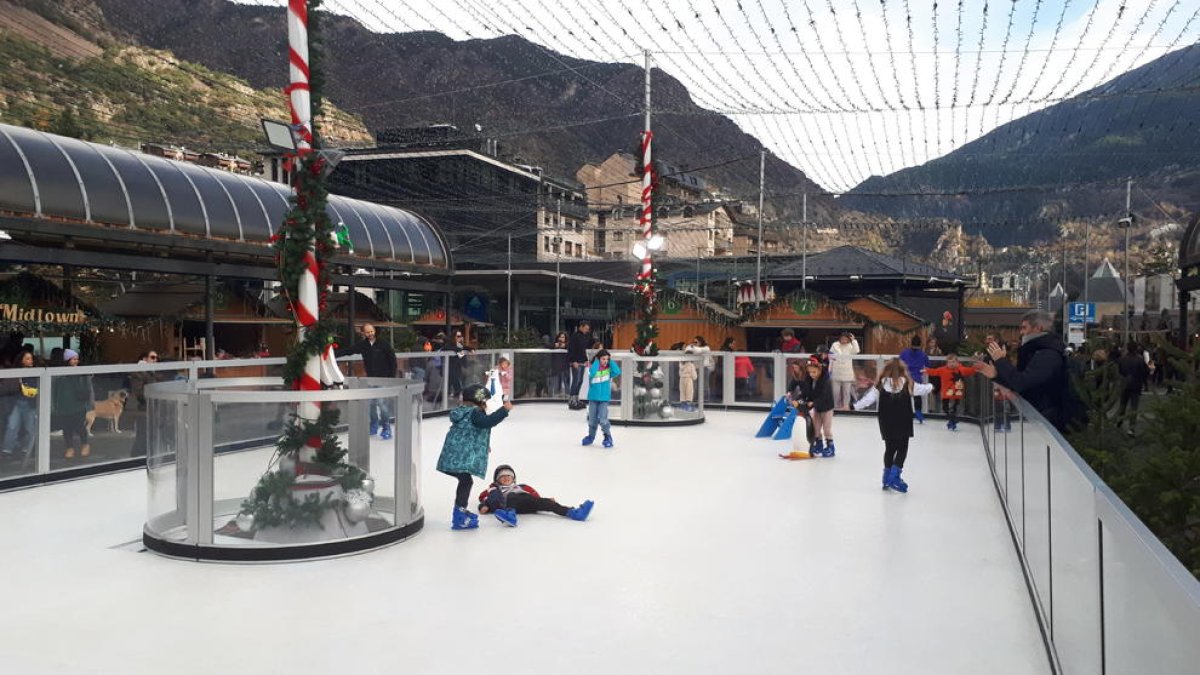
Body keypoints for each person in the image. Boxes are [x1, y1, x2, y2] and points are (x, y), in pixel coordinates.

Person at [975, 309, 1085, 433]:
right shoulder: (1035, 351)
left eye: (1024, 328)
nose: (1021, 332)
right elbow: (1022, 382)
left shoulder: (1047, 354)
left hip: (1051, 421)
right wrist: (996, 375)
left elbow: (1022, 383)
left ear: (1038, 328)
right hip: (1040, 417)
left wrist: (1001, 361)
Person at [436, 384, 513, 530]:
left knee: (465, 481)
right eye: (485, 402)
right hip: (460, 459)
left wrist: (484, 444)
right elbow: (486, 422)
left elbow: (470, 432)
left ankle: (460, 512)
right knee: (466, 481)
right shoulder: (475, 413)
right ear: (480, 401)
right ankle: (459, 516)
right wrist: (504, 410)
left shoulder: (463, 412)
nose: (486, 405)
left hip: (452, 456)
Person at [854, 359, 936, 492]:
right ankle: (894, 476)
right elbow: (922, 389)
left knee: (890, 448)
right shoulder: (907, 383)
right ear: (903, 371)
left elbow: (869, 399)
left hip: (886, 421)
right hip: (903, 420)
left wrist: (855, 406)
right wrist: (931, 386)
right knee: (902, 448)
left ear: (886, 370)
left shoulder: (881, 384)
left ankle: (886, 477)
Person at [477, 464, 594, 527]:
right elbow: (487, 498)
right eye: (502, 476)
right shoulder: (495, 489)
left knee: (548, 504)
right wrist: (483, 506)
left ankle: (575, 513)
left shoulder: (521, 487)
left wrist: (545, 499)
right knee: (512, 495)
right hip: (512, 504)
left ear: (513, 478)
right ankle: (510, 515)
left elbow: (533, 495)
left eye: (508, 476)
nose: (506, 478)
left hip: (528, 502)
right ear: (497, 480)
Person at [341, 324, 397, 439]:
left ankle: (386, 428)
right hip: (371, 379)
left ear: (374, 331)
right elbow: (349, 351)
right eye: (367, 332)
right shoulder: (363, 345)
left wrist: (391, 378)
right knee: (371, 404)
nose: (370, 334)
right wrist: (333, 353)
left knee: (382, 404)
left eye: (371, 331)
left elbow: (392, 360)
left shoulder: (383, 344)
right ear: (363, 333)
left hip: (384, 379)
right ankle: (374, 425)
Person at [53, 349, 94, 459]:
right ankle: (69, 447)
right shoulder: (60, 374)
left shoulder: (82, 373)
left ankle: (85, 444)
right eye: (73, 359)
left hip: (79, 405)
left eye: (77, 359)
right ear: (67, 360)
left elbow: (88, 389)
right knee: (66, 427)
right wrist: (55, 405)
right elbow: (55, 390)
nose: (76, 361)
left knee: (80, 425)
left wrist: (90, 405)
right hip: (64, 405)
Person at [0, 349, 39, 463]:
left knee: (30, 428)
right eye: (27, 358)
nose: (30, 361)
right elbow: (9, 388)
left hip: (30, 403)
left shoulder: (36, 372)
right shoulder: (16, 372)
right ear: (21, 360)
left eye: (31, 358)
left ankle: (26, 449)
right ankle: (7, 450)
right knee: (12, 425)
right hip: (17, 403)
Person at [794, 357, 836, 457]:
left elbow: (824, 396)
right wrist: (798, 399)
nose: (812, 374)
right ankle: (819, 445)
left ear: (819, 370)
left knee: (826, 429)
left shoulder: (825, 381)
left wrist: (813, 403)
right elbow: (805, 392)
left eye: (814, 372)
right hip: (817, 408)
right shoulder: (809, 380)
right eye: (810, 372)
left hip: (827, 408)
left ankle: (830, 447)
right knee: (816, 428)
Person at [924, 354, 977, 431]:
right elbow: (934, 372)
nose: (951, 364)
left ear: (957, 362)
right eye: (949, 362)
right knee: (945, 408)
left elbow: (971, 371)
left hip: (956, 394)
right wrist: (926, 370)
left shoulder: (961, 369)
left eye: (953, 362)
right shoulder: (942, 369)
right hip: (946, 394)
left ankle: (952, 421)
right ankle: (953, 420)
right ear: (947, 363)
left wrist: (977, 365)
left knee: (953, 409)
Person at [581, 349, 620, 448]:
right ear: (598, 359)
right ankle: (591, 436)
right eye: (603, 359)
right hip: (593, 398)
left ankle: (607, 437)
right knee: (592, 420)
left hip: (604, 399)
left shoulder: (608, 370)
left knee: (603, 420)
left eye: (607, 359)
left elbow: (617, 371)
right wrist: (597, 362)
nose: (605, 361)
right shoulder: (593, 368)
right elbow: (592, 373)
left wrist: (610, 361)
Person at [1116, 343, 1150, 431]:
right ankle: (1131, 427)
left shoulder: (1122, 359)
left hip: (1125, 384)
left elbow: (1119, 371)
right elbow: (1145, 372)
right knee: (1134, 406)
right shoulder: (1139, 360)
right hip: (1136, 384)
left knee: (1122, 404)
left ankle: (1119, 421)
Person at [898, 336, 930, 423]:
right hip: (917, 377)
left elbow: (899, 363)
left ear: (911, 343)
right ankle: (918, 413)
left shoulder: (904, 353)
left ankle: (904, 413)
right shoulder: (923, 354)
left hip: (906, 377)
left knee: (905, 395)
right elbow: (928, 364)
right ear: (920, 344)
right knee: (917, 395)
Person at [828, 332, 860, 410]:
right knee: (835, 392)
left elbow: (857, 351)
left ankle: (846, 407)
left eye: (846, 339)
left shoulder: (850, 346)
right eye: (842, 338)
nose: (844, 340)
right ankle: (835, 407)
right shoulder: (835, 345)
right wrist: (829, 369)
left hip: (847, 373)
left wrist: (854, 340)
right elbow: (830, 357)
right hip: (836, 372)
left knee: (846, 393)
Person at [566, 321, 592, 409]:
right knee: (575, 380)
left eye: (588, 329)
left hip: (582, 361)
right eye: (586, 328)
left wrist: (586, 360)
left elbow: (583, 350)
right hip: (576, 362)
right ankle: (571, 399)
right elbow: (571, 349)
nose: (587, 330)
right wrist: (573, 361)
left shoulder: (585, 337)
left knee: (580, 380)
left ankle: (576, 398)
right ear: (581, 327)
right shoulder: (574, 336)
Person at [679, 341, 699, 411]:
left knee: (682, 392)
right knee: (689, 393)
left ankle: (683, 406)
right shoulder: (691, 365)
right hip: (689, 380)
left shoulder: (681, 363)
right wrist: (695, 377)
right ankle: (688, 407)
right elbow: (694, 375)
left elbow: (679, 372)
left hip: (681, 379)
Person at [549, 331, 569, 396]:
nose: (561, 339)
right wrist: (555, 345)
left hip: (565, 366)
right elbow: (547, 346)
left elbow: (571, 347)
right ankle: (556, 394)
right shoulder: (554, 344)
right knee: (556, 381)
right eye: (560, 337)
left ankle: (567, 394)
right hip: (556, 367)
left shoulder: (567, 345)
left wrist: (565, 345)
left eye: (563, 337)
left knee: (566, 380)